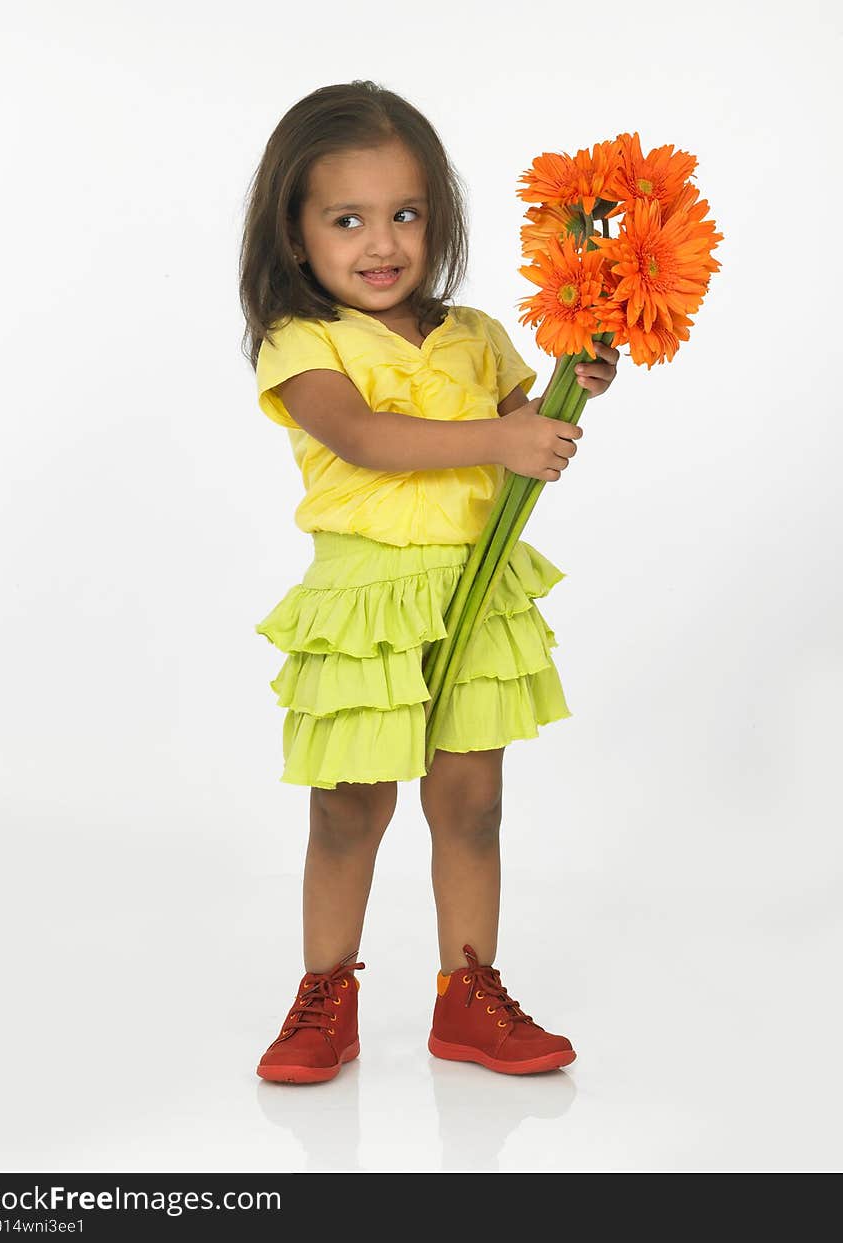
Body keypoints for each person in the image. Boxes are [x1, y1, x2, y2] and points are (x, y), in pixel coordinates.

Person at [239, 81, 619, 1085]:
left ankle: (469, 993)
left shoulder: (476, 333)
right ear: (294, 234)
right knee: (347, 808)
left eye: (405, 214)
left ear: (437, 220)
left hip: (475, 592)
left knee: (471, 804)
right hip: (367, 602)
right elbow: (363, 438)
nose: (382, 243)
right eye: (347, 218)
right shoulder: (303, 343)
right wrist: (503, 434)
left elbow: (524, 414)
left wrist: (575, 379)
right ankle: (325, 993)